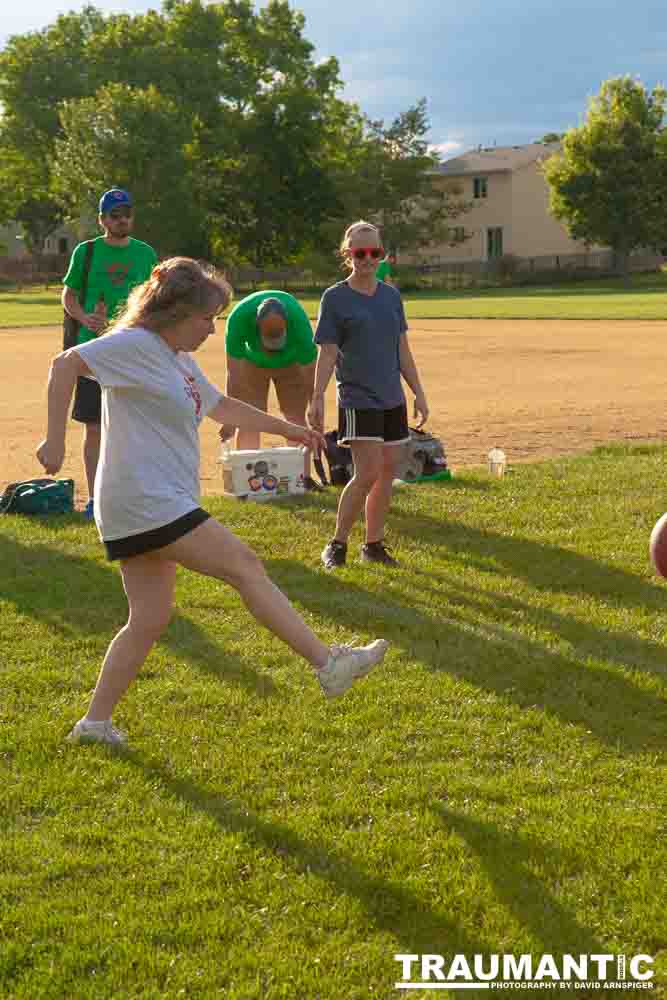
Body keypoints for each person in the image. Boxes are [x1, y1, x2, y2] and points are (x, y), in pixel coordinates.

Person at [37, 257, 389, 747]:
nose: (211, 328)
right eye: (207, 318)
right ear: (176, 312)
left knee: (149, 619)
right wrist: (55, 442)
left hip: (146, 503)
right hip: (146, 499)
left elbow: (219, 406)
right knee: (245, 566)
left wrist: (289, 429)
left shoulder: (177, 359)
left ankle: (93, 724)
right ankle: (329, 664)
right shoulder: (136, 345)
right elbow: (64, 365)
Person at [308, 221, 429, 570]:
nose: (367, 259)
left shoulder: (391, 296)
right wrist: (317, 397)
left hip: (392, 396)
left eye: (374, 252)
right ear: (347, 255)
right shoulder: (335, 297)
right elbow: (327, 353)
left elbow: (402, 349)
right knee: (366, 473)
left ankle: (373, 545)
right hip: (358, 398)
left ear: (382, 254)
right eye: (360, 253)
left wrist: (418, 393)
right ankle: (337, 544)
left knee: (388, 471)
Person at [62, 188, 158, 519]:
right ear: (103, 219)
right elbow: (69, 294)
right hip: (94, 350)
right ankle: (95, 499)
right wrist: (83, 317)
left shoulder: (146, 253)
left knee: (135, 424)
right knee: (94, 426)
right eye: (115, 215)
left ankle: (134, 494)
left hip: (134, 348)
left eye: (126, 214)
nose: (122, 220)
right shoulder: (86, 252)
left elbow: (154, 298)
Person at [224, 290, 322, 490]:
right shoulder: (239, 318)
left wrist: (315, 407)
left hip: (291, 364)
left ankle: (301, 480)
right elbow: (233, 373)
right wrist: (229, 418)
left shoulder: (300, 325)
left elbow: (310, 374)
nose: (273, 349)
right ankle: (245, 480)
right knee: (249, 418)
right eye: (269, 341)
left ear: (287, 325)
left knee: (295, 418)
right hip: (253, 362)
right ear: (256, 325)